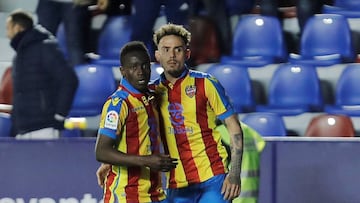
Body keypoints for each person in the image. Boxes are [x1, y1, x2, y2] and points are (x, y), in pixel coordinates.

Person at [97, 23, 244, 202]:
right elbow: (138, 131)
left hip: (212, 177)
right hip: (177, 184)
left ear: (187, 53)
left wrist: (235, 173)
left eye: (178, 50)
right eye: (166, 50)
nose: (172, 55)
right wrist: (109, 162)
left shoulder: (206, 84)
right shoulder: (151, 93)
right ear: (157, 55)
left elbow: (234, 127)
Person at [95, 41, 178, 203]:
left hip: (154, 193)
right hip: (127, 196)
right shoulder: (118, 104)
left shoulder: (150, 96)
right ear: (123, 71)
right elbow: (101, 151)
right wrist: (147, 161)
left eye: (144, 66)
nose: (140, 72)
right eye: (133, 67)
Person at [6, 10, 79, 138]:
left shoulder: (45, 47)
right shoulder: (19, 56)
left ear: (17, 27)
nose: (7, 35)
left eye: (8, 28)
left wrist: (59, 115)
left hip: (44, 128)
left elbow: (69, 79)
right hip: (22, 130)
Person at [216, 122, 266, 203]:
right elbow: (261, 145)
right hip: (250, 197)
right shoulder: (248, 130)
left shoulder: (217, 133)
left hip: (231, 196)